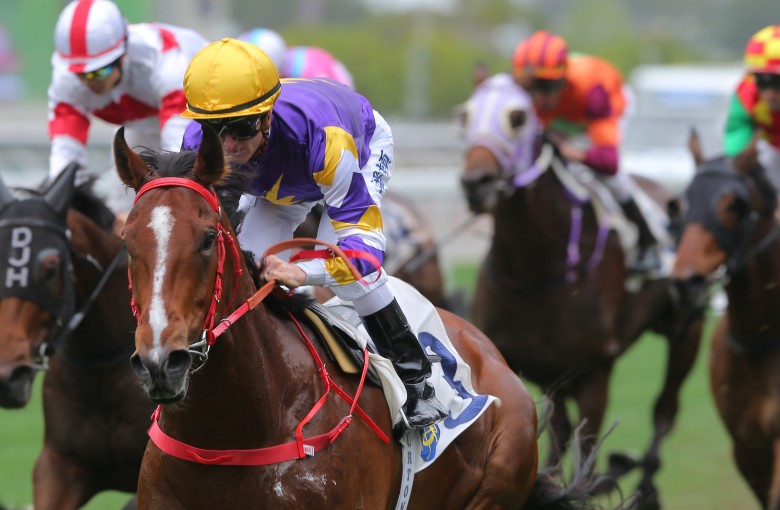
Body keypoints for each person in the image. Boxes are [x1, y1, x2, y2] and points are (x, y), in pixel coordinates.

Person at [179, 38, 447, 434]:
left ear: (266, 118)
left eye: (241, 127)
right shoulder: (198, 147)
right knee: (246, 269)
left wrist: (306, 274)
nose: (229, 146)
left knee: (357, 281)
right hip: (280, 180)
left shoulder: (327, 141)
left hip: (356, 147)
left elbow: (366, 254)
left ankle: (417, 383)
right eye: (215, 130)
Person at [512, 29, 662, 272]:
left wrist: (574, 153)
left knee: (608, 179)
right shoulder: (523, 92)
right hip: (564, 119)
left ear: (562, 80)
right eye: (530, 88)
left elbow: (609, 162)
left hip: (601, 111)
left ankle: (650, 241)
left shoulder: (594, 91)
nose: (537, 98)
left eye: (545, 87)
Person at [48, 0, 208, 225]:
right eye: (80, 74)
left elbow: (177, 153)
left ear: (123, 52)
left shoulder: (165, 63)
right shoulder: (66, 78)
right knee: (119, 202)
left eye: (99, 71)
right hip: (142, 123)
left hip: (199, 115)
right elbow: (66, 155)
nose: (89, 82)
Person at [725, 24, 780, 192]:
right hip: (772, 147)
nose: (769, 93)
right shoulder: (747, 92)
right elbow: (737, 139)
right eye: (762, 81)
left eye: (777, 82)